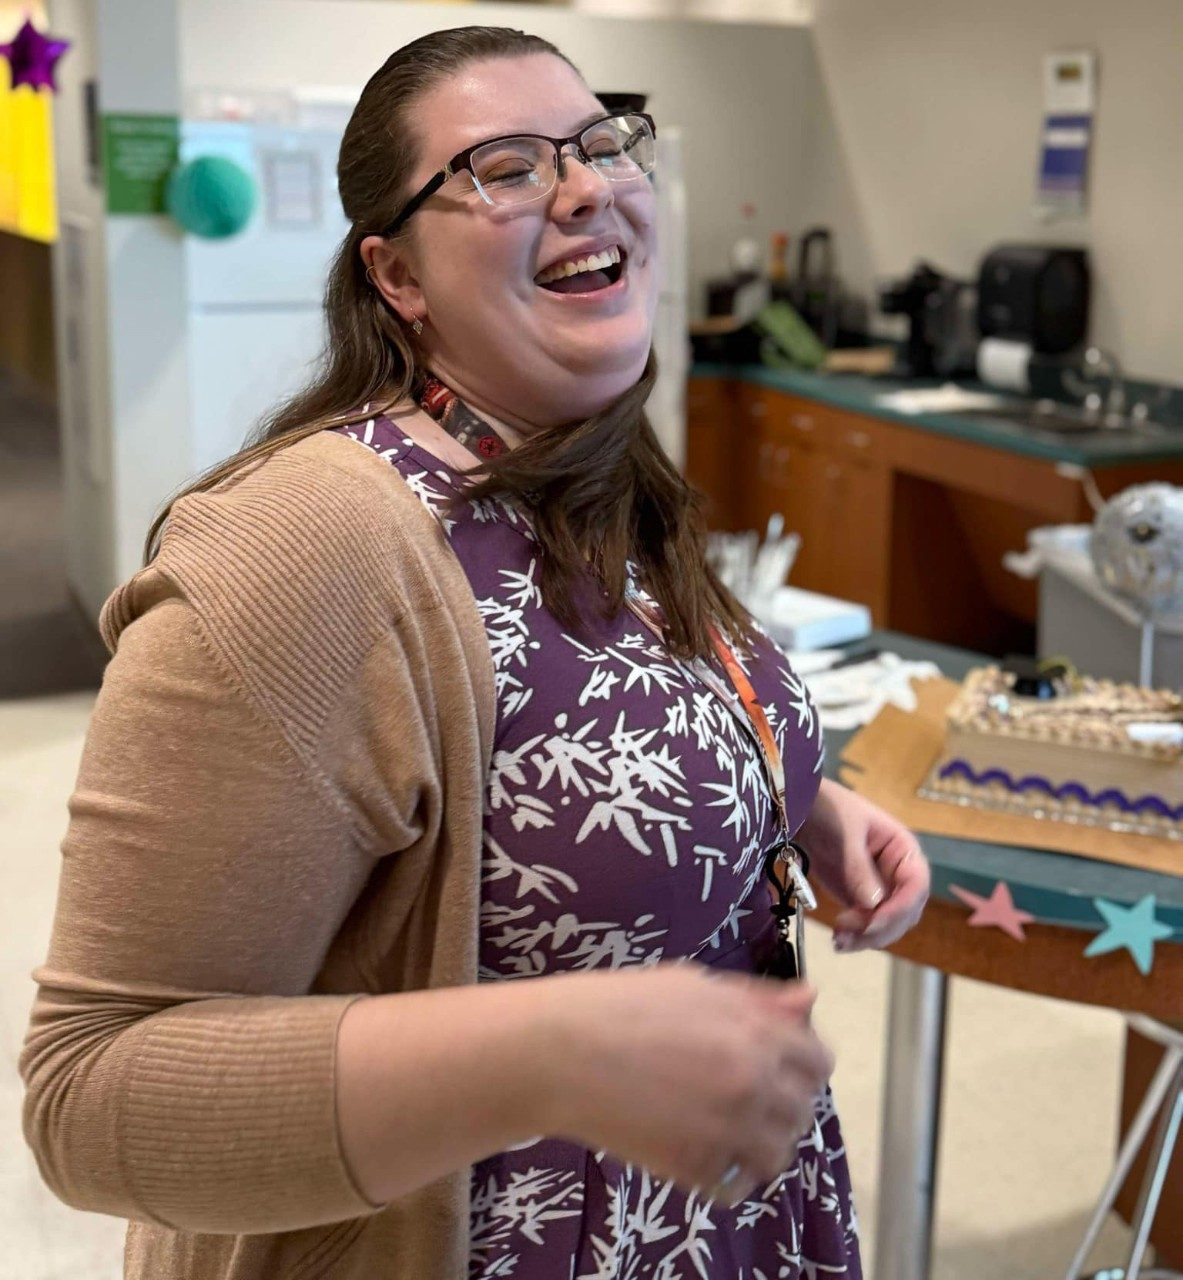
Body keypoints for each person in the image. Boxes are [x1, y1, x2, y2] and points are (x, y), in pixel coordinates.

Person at [20, 25, 930, 1280]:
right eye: (504, 167)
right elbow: (93, 1096)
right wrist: (542, 1051)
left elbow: (590, 710)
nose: (584, 185)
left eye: (603, 142)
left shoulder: (587, 466)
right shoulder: (308, 549)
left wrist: (784, 795)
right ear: (397, 276)